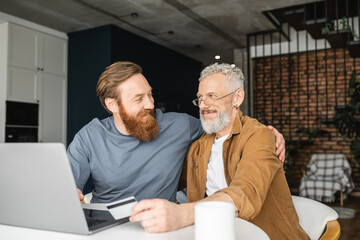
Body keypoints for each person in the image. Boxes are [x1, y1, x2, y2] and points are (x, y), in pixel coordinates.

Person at [130, 63, 309, 239]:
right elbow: (168, 180)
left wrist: (183, 213)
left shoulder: (259, 136)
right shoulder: (198, 146)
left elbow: (245, 192)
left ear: (237, 98)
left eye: (212, 96)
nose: (203, 105)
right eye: (200, 98)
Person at [68, 61, 285, 205]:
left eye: (150, 95)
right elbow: (66, 190)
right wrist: (69, 196)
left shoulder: (178, 125)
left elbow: (224, 121)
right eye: (139, 99)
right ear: (112, 105)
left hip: (161, 230)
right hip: (106, 229)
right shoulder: (89, 137)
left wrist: (267, 133)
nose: (150, 104)